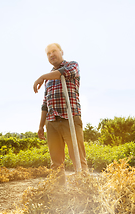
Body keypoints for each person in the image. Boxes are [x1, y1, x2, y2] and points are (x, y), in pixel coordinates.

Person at [33, 43, 88, 184]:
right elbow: (45, 103)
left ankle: (85, 191)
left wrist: (42, 77)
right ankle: (59, 195)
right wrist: (41, 126)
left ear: (61, 51)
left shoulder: (72, 66)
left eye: (54, 51)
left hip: (70, 118)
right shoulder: (48, 79)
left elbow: (62, 73)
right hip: (52, 121)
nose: (51, 55)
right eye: (48, 53)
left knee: (78, 158)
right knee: (56, 162)